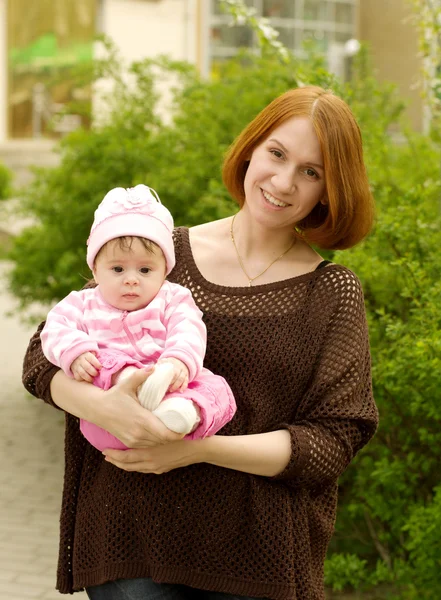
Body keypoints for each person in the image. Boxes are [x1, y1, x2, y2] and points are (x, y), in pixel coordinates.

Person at [22, 85, 379, 600]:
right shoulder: (162, 255)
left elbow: (333, 440)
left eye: (311, 171)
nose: (283, 181)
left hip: (257, 555)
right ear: (252, 148)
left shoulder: (330, 291)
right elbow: (42, 353)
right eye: (277, 154)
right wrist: (104, 406)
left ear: (329, 188)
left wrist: (195, 449)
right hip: (133, 537)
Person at [40, 184, 236, 450]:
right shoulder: (83, 303)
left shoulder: (173, 298)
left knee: (217, 387)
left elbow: (188, 329)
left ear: (164, 272)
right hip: (109, 409)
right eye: (118, 269)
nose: (131, 280)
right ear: (95, 270)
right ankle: (129, 378)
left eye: (145, 270)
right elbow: (54, 329)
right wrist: (76, 352)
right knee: (99, 358)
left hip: (166, 384)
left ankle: (182, 412)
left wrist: (177, 362)